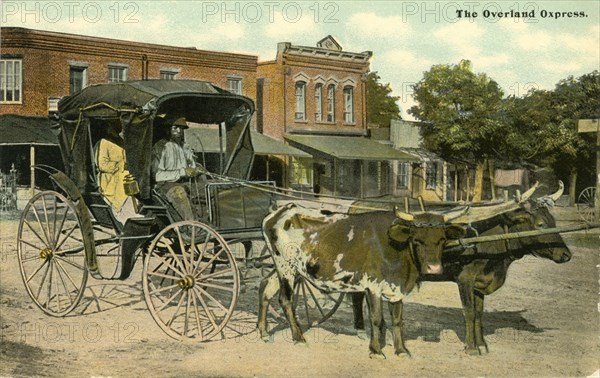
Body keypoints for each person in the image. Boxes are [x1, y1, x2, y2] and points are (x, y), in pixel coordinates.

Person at [152, 117, 205, 221]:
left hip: (185, 183)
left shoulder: (184, 146)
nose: (179, 131)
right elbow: (158, 176)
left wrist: (196, 168)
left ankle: (209, 220)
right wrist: (183, 172)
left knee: (209, 189)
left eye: (181, 128)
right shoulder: (161, 147)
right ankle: (192, 227)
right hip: (166, 185)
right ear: (167, 129)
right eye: (175, 128)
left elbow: (191, 167)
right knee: (179, 192)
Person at [95, 119, 139, 225]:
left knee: (134, 177)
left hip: (123, 175)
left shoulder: (121, 141)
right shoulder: (104, 142)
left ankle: (135, 210)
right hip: (110, 179)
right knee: (127, 179)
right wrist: (121, 166)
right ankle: (126, 216)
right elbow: (102, 165)